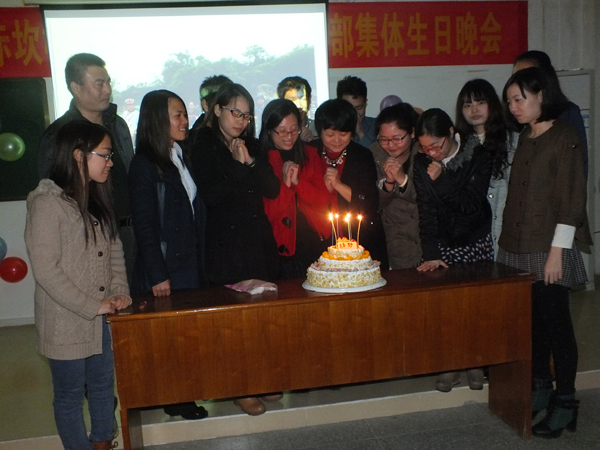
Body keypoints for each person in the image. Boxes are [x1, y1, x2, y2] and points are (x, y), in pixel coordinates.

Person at [25, 121, 131, 450]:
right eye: (105, 154)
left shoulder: (97, 198)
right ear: (78, 155)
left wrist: (119, 291)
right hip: (65, 322)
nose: (110, 162)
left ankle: (102, 442)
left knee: (102, 385)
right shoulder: (47, 203)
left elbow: (114, 252)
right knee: (69, 395)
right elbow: (46, 270)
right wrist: (91, 306)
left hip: (101, 319)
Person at [501, 67, 591, 438]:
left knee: (558, 327)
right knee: (533, 324)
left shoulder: (564, 135)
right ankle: (540, 388)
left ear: (541, 95)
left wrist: (557, 253)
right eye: (510, 101)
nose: (514, 107)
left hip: (548, 248)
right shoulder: (526, 135)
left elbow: (572, 199)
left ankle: (566, 403)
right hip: (517, 246)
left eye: (519, 99)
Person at [190, 83, 281, 416]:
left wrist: (250, 162)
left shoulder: (251, 144)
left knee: (260, 319)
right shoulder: (202, 145)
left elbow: (272, 188)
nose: (241, 121)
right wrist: (239, 166)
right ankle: (239, 386)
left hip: (255, 240)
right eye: (235, 113)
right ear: (217, 110)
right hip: (225, 245)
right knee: (233, 323)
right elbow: (214, 195)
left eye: (246, 115)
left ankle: (260, 378)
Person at [128, 90, 209, 421]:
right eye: (177, 115)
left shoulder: (179, 155)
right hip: (165, 267)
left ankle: (184, 392)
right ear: (157, 119)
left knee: (186, 334)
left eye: (184, 114)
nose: (185, 120)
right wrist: (158, 273)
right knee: (169, 339)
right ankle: (175, 398)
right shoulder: (144, 165)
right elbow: (145, 225)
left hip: (189, 261)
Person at [36, 53, 136, 285]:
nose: (107, 90)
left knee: (127, 297)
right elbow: (51, 191)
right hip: (88, 235)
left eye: (108, 82)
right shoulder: (60, 133)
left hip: (127, 231)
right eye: (99, 84)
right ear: (76, 88)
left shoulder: (117, 124)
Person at [413, 108, 493, 392]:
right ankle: (450, 362)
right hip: (442, 244)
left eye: (436, 145)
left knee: (474, 306)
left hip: (474, 241)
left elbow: (471, 205)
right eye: (424, 147)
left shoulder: (478, 155)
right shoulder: (421, 162)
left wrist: (443, 179)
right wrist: (431, 253)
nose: (431, 152)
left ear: (451, 134)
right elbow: (426, 209)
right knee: (445, 310)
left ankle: (475, 361)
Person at [311, 98, 388, 268]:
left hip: (359, 239)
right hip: (318, 241)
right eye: (330, 134)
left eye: (343, 134)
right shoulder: (309, 152)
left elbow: (369, 203)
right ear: (319, 131)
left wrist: (338, 185)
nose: (337, 140)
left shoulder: (362, 156)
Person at [260, 99, 331, 278]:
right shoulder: (261, 160)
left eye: (294, 129)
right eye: (282, 130)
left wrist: (298, 182)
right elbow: (268, 214)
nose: (289, 136)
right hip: (281, 248)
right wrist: (285, 184)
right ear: (269, 130)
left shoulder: (310, 154)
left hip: (314, 241)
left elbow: (323, 201)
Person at [454, 79, 517, 257]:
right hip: (473, 233)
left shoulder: (512, 140)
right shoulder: (458, 145)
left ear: (492, 104)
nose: (474, 110)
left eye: (480, 103)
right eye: (468, 105)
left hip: (505, 225)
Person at [512, 50, 589, 177]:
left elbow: (579, 166)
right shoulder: (514, 113)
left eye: (527, 75)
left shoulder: (568, 112)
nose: (520, 81)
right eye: (515, 76)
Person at [369, 103, 421, 269]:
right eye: (384, 139)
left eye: (397, 138)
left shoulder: (425, 152)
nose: (390, 145)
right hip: (396, 242)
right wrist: (388, 183)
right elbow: (373, 204)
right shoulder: (372, 156)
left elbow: (431, 196)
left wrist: (403, 180)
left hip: (427, 237)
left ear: (412, 133)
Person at [336, 76, 377, 148]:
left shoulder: (376, 126)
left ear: (365, 103)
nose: (354, 113)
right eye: (349, 108)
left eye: (359, 108)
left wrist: (360, 132)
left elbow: (377, 154)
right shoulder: (331, 127)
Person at [277, 76, 317, 142]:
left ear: (309, 99)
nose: (298, 105)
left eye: (302, 98)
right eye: (292, 100)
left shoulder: (319, 129)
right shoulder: (276, 132)